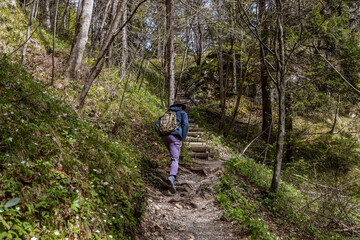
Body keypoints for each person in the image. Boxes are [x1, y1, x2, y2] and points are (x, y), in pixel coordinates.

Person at [157, 101, 189, 194]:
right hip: (175, 137)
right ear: (180, 106)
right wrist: (182, 139)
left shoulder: (166, 113)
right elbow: (185, 125)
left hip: (165, 137)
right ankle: (171, 177)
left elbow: (157, 124)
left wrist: (161, 135)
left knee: (173, 156)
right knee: (175, 159)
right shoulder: (182, 113)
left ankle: (175, 175)